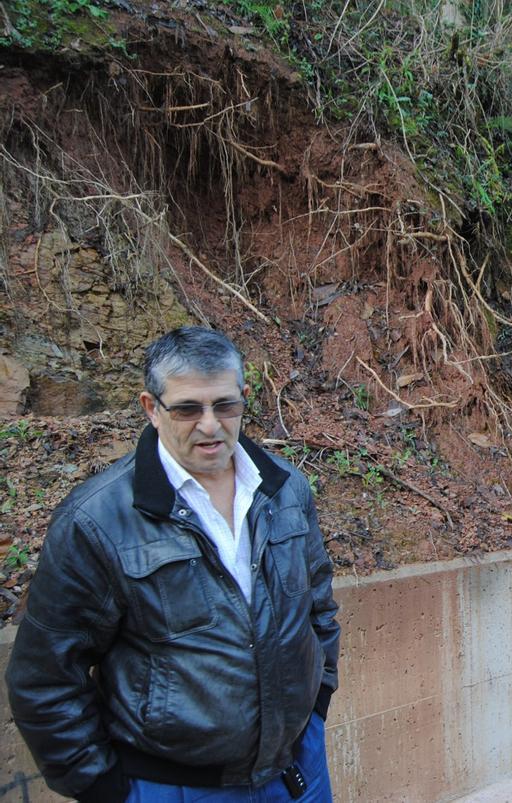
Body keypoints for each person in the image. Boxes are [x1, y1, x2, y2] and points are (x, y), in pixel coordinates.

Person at [6, 327, 340, 802]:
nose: (210, 425)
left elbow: (319, 609)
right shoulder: (98, 519)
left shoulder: (286, 490)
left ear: (244, 399)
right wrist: (103, 787)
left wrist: (316, 707)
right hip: (170, 785)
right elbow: (44, 677)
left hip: (296, 767)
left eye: (225, 405)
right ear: (151, 409)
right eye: (187, 408)